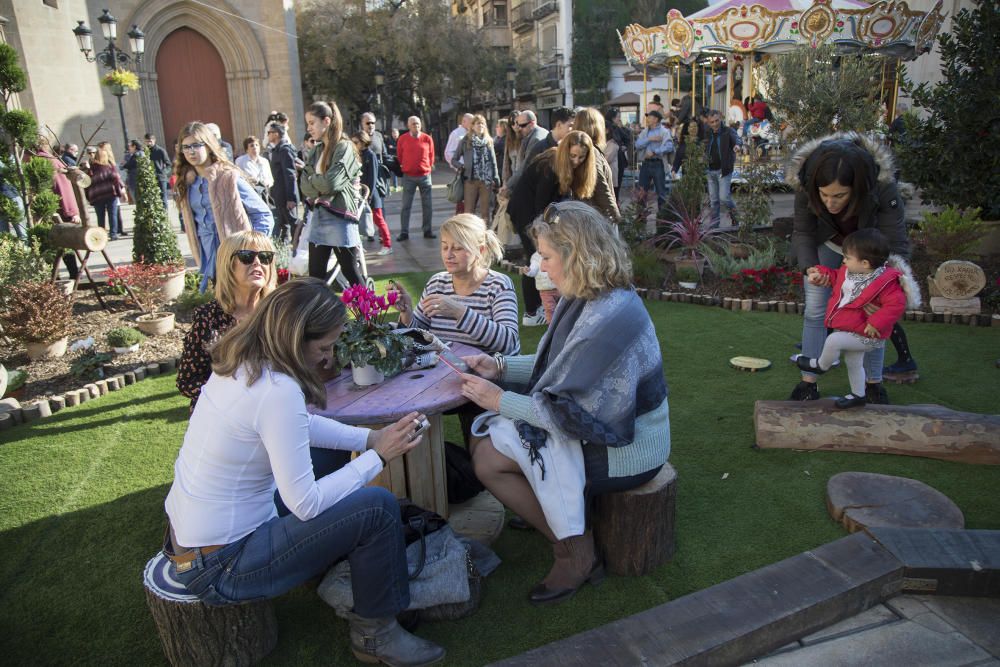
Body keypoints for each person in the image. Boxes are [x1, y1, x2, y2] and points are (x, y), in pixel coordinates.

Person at [163, 278, 446, 666]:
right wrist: (379, 457)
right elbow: (306, 504)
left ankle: (335, 571)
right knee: (377, 507)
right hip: (220, 566)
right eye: (324, 347)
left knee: (329, 461)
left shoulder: (239, 360)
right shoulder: (277, 389)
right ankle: (377, 635)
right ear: (295, 339)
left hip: (189, 545)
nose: (328, 358)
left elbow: (302, 428)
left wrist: (369, 440)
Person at [457, 201, 670, 605]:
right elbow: (560, 369)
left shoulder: (608, 315)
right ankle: (563, 525)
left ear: (577, 255)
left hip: (628, 449)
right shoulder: (594, 296)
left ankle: (575, 552)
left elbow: (568, 413)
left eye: (547, 256)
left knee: (487, 458)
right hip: (607, 431)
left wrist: (499, 399)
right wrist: (499, 367)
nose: (540, 266)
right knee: (487, 444)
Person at [788, 132, 912, 404]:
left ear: (858, 187)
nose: (830, 203)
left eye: (840, 196)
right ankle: (808, 384)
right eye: (824, 195)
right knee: (815, 311)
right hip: (829, 246)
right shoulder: (805, 183)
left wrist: (885, 286)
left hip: (872, 252)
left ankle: (873, 385)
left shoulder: (882, 187)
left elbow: (895, 244)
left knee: (874, 316)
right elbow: (803, 232)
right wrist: (811, 268)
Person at [793, 229, 918, 409]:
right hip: (854, 330)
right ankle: (858, 394)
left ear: (865, 263)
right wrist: (821, 273)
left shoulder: (886, 281)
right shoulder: (849, 272)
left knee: (834, 340)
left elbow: (895, 305)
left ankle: (820, 365)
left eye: (848, 257)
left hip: (869, 335)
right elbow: (836, 277)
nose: (843, 260)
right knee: (853, 363)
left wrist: (876, 322)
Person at [393, 213, 519, 357]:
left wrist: (459, 312)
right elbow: (418, 339)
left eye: (457, 248)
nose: (448, 255)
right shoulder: (437, 283)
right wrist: (407, 312)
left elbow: (509, 343)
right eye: (444, 247)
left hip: (484, 377)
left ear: (481, 250)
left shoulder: (498, 285)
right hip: (443, 373)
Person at [177, 231, 279, 409]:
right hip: (223, 416)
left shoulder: (279, 314)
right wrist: (230, 400)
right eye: (247, 257)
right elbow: (188, 381)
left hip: (272, 410)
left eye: (265, 257)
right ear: (228, 265)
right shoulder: (208, 317)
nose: (257, 262)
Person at [508, 131, 597, 327]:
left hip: (536, 210)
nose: (576, 161)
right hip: (526, 211)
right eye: (573, 156)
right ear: (566, 151)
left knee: (543, 256)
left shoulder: (567, 166)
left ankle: (542, 306)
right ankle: (532, 312)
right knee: (536, 258)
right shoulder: (550, 166)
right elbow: (541, 207)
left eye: (581, 157)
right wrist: (548, 231)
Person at [174, 121, 274, 292]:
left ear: (208, 145)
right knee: (221, 308)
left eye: (197, 145)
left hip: (237, 255)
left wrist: (251, 251)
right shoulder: (186, 183)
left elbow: (264, 215)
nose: (191, 151)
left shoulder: (228, 177)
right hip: (208, 255)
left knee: (244, 308)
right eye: (186, 147)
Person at [299, 101, 364, 286]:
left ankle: (369, 314)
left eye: (312, 123)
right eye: (308, 123)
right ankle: (319, 315)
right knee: (315, 276)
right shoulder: (317, 150)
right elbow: (304, 184)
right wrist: (317, 182)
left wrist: (315, 181)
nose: (309, 128)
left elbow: (331, 183)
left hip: (341, 217)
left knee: (351, 272)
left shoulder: (344, 147)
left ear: (326, 121)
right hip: (320, 217)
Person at [571, 107, 621, 223]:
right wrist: (615, 216)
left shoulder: (578, 149)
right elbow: (601, 189)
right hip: (595, 218)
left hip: (586, 214)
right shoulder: (590, 151)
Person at [450, 114, 498, 223]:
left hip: (486, 181)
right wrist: (461, 166)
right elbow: (454, 159)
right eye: (478, 123)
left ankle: (484, 235)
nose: (480, 125)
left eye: (482, 123)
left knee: (485, 212)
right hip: (470, 181)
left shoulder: (489, 141)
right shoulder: (465, 140)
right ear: (472, 126)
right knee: (469, 211)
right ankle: (469, 234)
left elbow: (493, 162)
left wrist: (496, 179)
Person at [352, 130, 392, 255]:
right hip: (360, 193)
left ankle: (387, 245)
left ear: (363, 142)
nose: (354, 144)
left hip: (371, 194)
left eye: (356, 142)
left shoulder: (370, 155)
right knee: (358, 221)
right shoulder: (357, 155)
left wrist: (368, 195)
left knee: (379, 219)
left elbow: (373, 178)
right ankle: (358, 246)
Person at [395, 116, 436, 240]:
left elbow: (431, 156)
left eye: (418, 124)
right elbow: (399, 156)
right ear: (408, 126)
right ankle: (404, 232)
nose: (416, 126)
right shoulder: (402, 139)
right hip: (408, 177)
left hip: (425, 176)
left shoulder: (427, 139)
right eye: (413, 124)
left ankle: (427, 230)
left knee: (427, 205)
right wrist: (407, 167)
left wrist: (427, 167)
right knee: (406, 205)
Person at [704, 110, 742, 228]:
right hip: (710, 171)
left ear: (720, 119)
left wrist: (737, 146)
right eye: (712, 122)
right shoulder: (707, 133)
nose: (715, 124)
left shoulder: (728, 131)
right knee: (714, 200)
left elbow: (737, 139)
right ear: (709, 123)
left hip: (723, 170)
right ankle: (714, 225)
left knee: (724, 198)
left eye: (717, 121)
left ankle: (736, 217)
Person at [501, 110, 549, 196]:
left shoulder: (536, 138)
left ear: (532, 123)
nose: (519, 128)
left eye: (522, 125)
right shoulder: (533, 134)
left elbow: (525, 165)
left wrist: (508, 185)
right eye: (518, 125)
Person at [84, 141, 125, 240]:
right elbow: (116, 179)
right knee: (112, 214)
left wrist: (89, 197)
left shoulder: (90, 170)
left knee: (100, 216)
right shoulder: (108, 168)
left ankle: (102, 235)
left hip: (97, 196)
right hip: (111, 194)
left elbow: (86, 184)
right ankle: (113, 234)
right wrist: (120, 193)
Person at [266, 122, 299, 243]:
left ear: (276, 134)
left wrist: (291, 198)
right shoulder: (276, 150)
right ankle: (284, 254)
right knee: (282, 225)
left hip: (286, 196)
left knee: (293, 223)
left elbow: (290, 174)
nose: (268, 135)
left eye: (269, 133)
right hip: (279, 195)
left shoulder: (284, 150)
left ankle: (297, 249)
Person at [635, 110, 673, 209]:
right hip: (645, 164)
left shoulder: (664, 131)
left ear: (656, 119)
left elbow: (669, 146)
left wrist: (655, 152)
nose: (647, 119)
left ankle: (662, 219)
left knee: (661, 193)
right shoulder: (645, 131)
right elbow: (637, 145)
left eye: (650, 117)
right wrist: (650, 139)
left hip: (658, 164)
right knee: (642, 191)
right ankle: (641, 220)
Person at [444, 114, 473, 213]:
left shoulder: (473, 133)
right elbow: (448, 153)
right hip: (463, 171)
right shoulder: (456, 134)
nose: (473, 124)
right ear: (464, 122)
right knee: (462, 198)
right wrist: (458, 166)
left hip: (474, 172)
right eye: (471, 122)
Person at [520, 248, 558, 323]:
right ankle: (552, 325)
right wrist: (528, 271)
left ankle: (562, 321)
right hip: (545, 290)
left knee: (561, 306)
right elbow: (533, 270)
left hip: (559, 287)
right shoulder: (536, 257)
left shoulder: (555, 252)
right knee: (549, 308)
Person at [235, 136, 274, 205]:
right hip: (250, 196)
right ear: (247, 149)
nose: (255, 147)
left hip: (264, 195)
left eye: (257, 145)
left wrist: (267, 183)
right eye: (251, 145)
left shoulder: (265, 161)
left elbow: (271, 179)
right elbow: (238, 179)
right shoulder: (240, 161)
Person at [144, 133, 173, 209]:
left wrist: (163, 172)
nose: (149, 143)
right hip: (150, 179)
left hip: (160, 178)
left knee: (163, 198)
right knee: (152, 199)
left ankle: (165, 216)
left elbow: (169, 165)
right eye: (147, 141)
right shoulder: (145, 152)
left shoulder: (161, 151)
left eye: (150, 141)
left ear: (154, 140)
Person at [500, 110, 522, 186]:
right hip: (512, 178)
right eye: (512, 123)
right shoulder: (509, 139)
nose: (515, 125)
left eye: (517, 122)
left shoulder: (526, 138)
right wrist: (505, 182)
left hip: (523, 178)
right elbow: (506, 162)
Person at [120, 139, 143, 205]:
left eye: (130, 146)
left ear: (134, 146)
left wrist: (124, 164)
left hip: (135, 181)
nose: (129, 148)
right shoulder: (139, 154)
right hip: (136, 181)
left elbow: (128, 165)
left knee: (138, 202)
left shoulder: (137, 155)